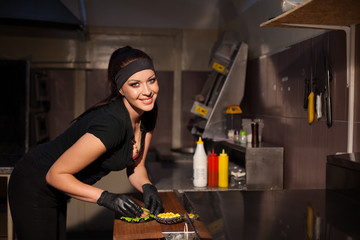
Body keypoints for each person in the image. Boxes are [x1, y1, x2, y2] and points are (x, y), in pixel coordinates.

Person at [8, 46, 163, 240]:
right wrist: (107, 198)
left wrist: (148, 187)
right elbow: (55, 175)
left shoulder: (148, 113)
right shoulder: (111, 124)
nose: (147, 91)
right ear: (120, 89)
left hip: (59, 186)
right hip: (34, 181)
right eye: (135, 84)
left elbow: (136, 166)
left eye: (151, 80)